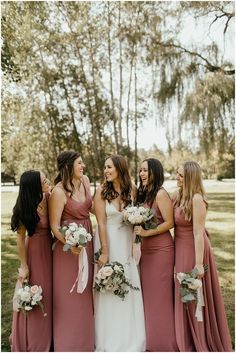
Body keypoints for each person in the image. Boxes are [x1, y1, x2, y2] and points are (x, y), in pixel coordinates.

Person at [173, 161, 232, 351]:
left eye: (181, 175)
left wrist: (199, 264)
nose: (177, 177)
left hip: (194, 248)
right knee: (182, 291)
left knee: (193, 292)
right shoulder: (179, 195)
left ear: (190, 177)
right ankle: (186, 335)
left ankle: (200, 337)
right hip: (180, 246)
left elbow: (198, 233)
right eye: (177, 174)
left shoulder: (197, 199)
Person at [94, 154, 146, 352]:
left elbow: (137, 220)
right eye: (105, 167)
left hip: (126, 245)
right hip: (107, 240)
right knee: (109, 286)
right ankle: (109, 339)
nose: (106, 171)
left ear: (119, 168)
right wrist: (105, 252)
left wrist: (136, 243)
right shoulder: (101, 191)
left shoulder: (132, 190)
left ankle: (131, 337)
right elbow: (100, 222)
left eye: (109, 167)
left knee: (129, 283)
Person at [49, 150, 94, 352]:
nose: (83, 166)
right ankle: (68, 344)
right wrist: (71, 243)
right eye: (79, 163)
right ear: (68, 166)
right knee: (69, 295)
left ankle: (86, 341)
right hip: (67, 250)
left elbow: (93, 208)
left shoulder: (85, 180)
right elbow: (54, 226)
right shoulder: (58, 192)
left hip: (88, 241)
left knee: (86, 292)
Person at [134, 158, 178, 352]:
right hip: (146, 251)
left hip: (161, 251)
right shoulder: (143, 195)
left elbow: (170, 223)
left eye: (146, 171)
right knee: (149, 297)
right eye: (141, 171)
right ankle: (151, 341)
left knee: (160, 298)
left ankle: (165, 343)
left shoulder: (160, 194)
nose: (142, 174)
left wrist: (146, 233)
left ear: (155, 173)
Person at [10, 170, 52, 352]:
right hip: (33, 252)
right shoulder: (24, 205)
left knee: (49, 293)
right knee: (34, 293)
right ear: (34, 185)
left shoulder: (48, 197)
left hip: (49, 251)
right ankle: (34, 340)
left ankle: (50, 336)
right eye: (43, 181)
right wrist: (24, 265)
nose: (47, 182)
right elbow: (20, 238)